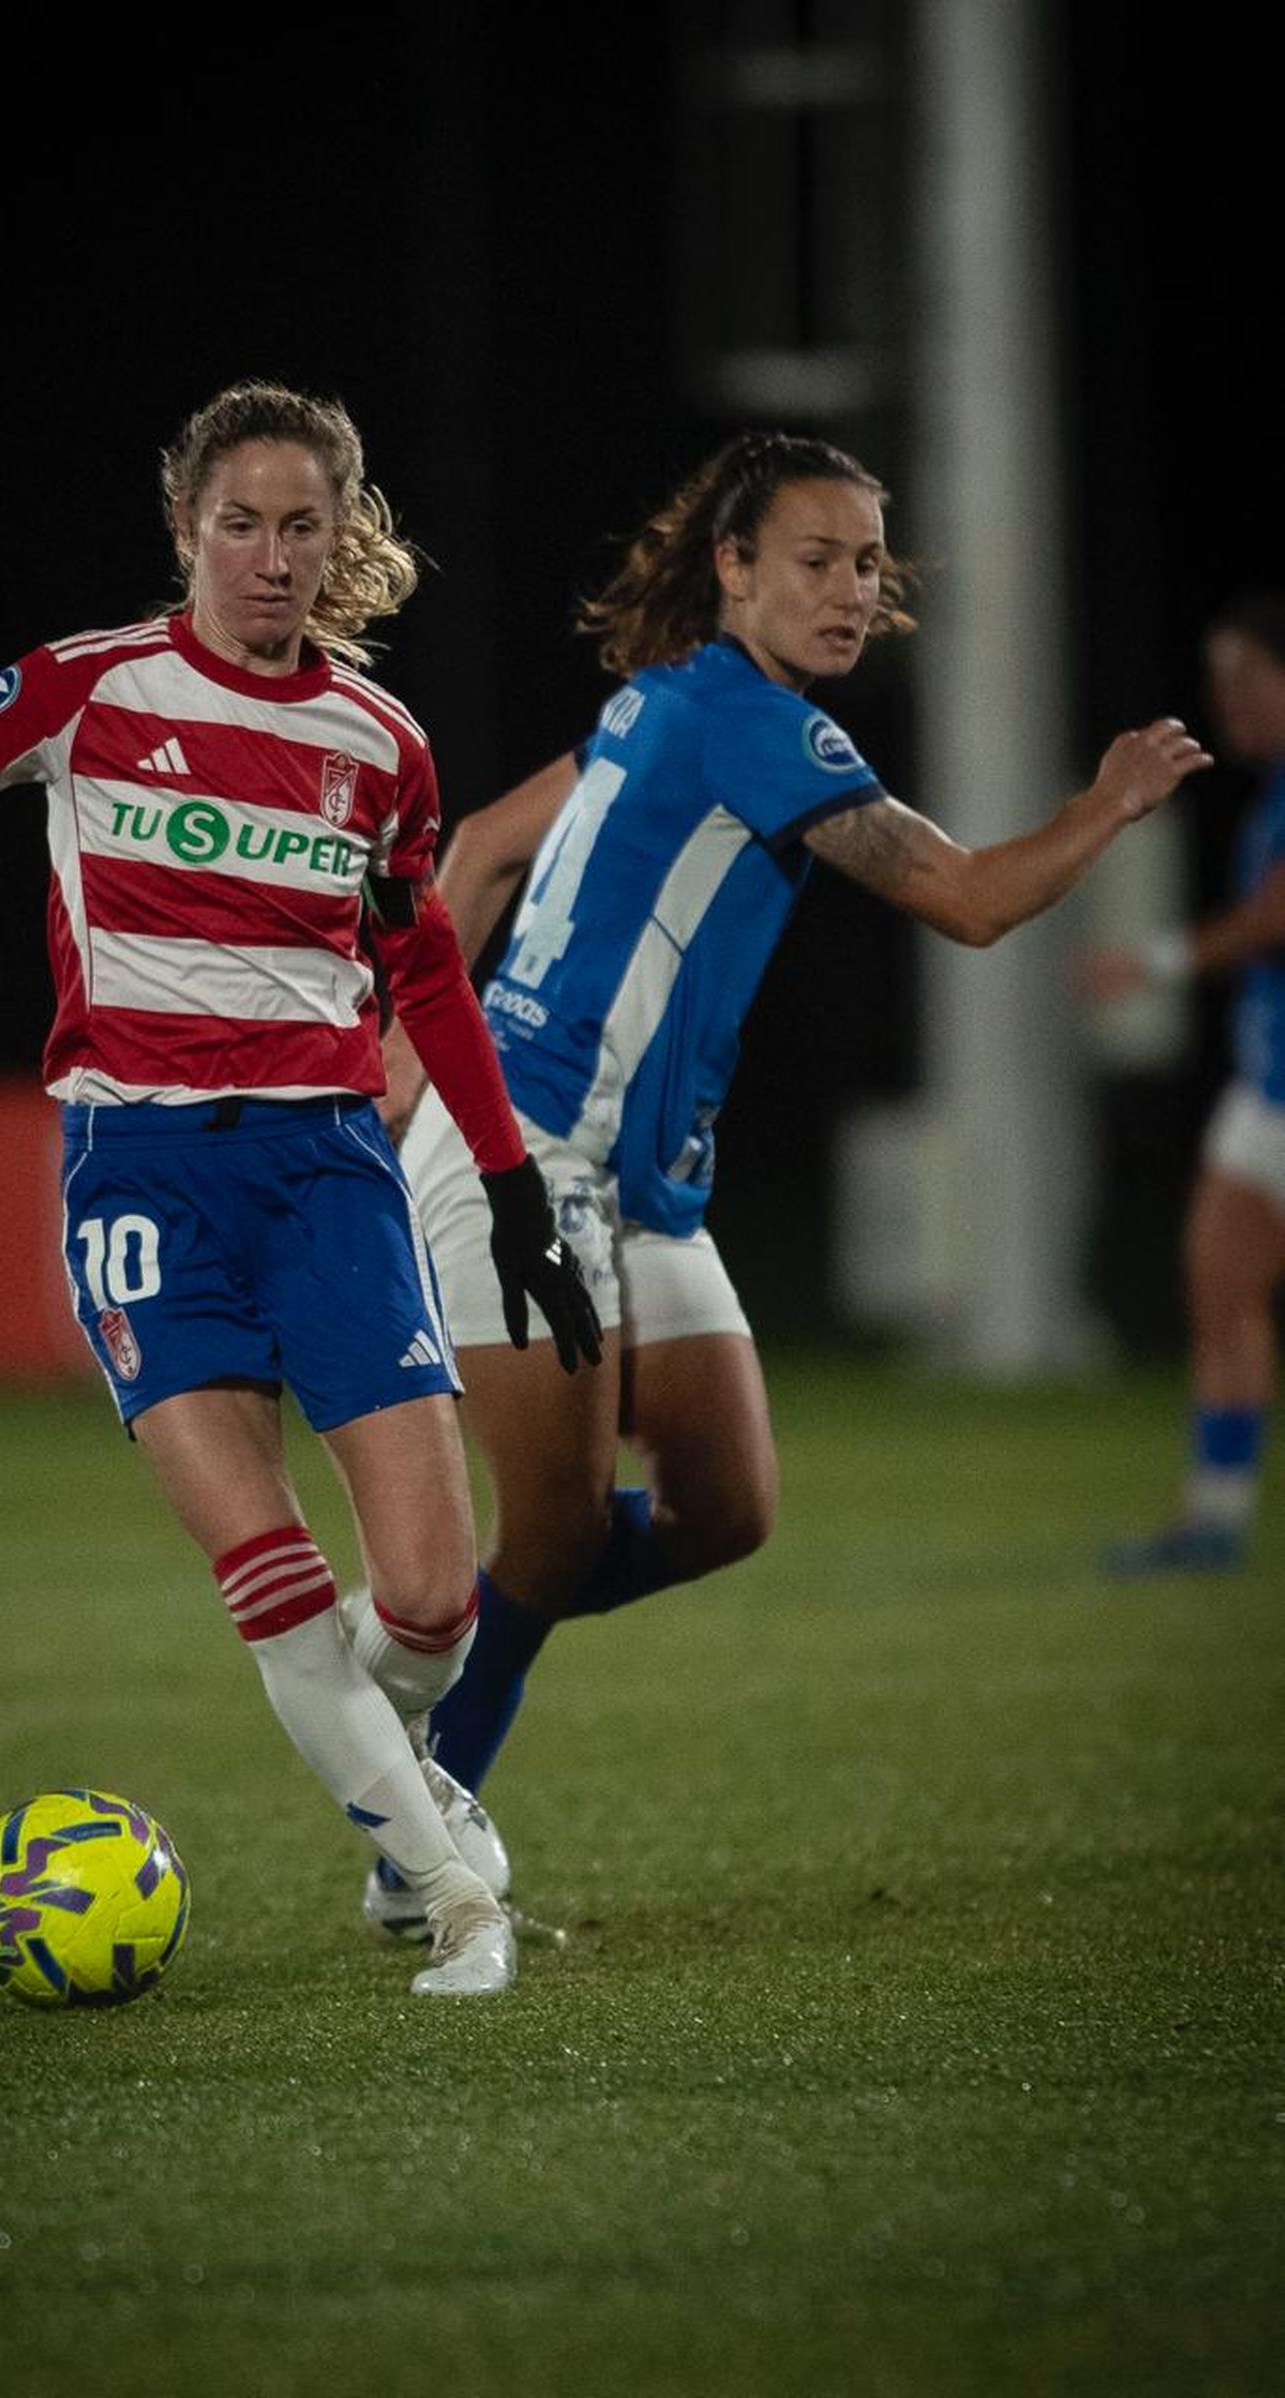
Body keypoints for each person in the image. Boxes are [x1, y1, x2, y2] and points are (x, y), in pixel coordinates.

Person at [0, 378, 600, 1998]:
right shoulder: (89, 688)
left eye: (301, 525)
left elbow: (425, 967)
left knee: (434, 1602)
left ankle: (388, 1779)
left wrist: (509, 1187)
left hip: (329, 1172)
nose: (268, 555)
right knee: (276, 1580)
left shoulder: (377, 743)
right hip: (144, 1175)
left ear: (337, 539)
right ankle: (451, 1893)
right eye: (237, 523)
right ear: (185, 530)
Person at [362, 426, 1212, 1934]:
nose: (848, 588)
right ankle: (412, 1834)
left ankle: (431, 1645)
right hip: (536, 1145)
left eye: (869, 564)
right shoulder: (753, 721)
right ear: (734, 568)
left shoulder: (663, 701)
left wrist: (398, 1056)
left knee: (727, 1505)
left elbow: (485, 850)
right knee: (554, 1531)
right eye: (815, 558)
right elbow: (967, 899)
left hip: (636, 1175)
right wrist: (1112, 800)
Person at [1082, 592, 1285, 1573]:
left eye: (1248, 676)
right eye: (1219, 679)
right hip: (1264, 1095)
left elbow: (1275, 918)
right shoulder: (1269, 792)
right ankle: (1213, 1517)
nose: (1227, 699)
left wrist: (1153, 962)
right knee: (1218, 1286)